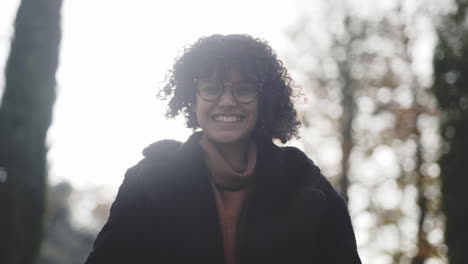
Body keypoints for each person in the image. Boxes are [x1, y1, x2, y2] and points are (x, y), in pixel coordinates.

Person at [85, 34, 361, 264]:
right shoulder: (146, 182)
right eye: (211, 89)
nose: (227, 102)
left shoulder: (307, 185)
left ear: (262, 102)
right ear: (192, 101)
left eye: (243, 90)